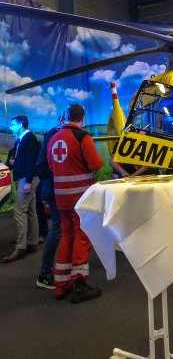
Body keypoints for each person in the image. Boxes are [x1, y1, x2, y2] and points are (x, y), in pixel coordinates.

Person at [48, 104, 103, 302]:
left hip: (61, 198)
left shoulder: (53, 138)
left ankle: (61, 285)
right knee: (82, 237)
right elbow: (96, 164)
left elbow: (51, 166)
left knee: (67, 237)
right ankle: (79, 284)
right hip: (80, 198)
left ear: (66, 117)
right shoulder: (82, 137)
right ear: (83, 118)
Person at [3, 115, 40, 263]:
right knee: (31, 211)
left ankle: (20, 248)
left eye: (13, 125)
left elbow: (32, 161)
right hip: (24, 178)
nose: (11, 127)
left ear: (21, 125)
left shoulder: (29, 138)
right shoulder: (21, 140)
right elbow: (21, 160)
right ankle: (32, 242)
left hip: (26, 179)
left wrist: (28, 181)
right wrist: (12, 162)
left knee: (19, 211)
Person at [35, 114, 65, 290]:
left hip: (60, 190)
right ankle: (45, 274)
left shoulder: (57, 135)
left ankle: (62, 270)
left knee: (61, 230)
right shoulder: (55, 135)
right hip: (56, 191)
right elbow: (41, 165)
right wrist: (57, 177)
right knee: (57, 230)